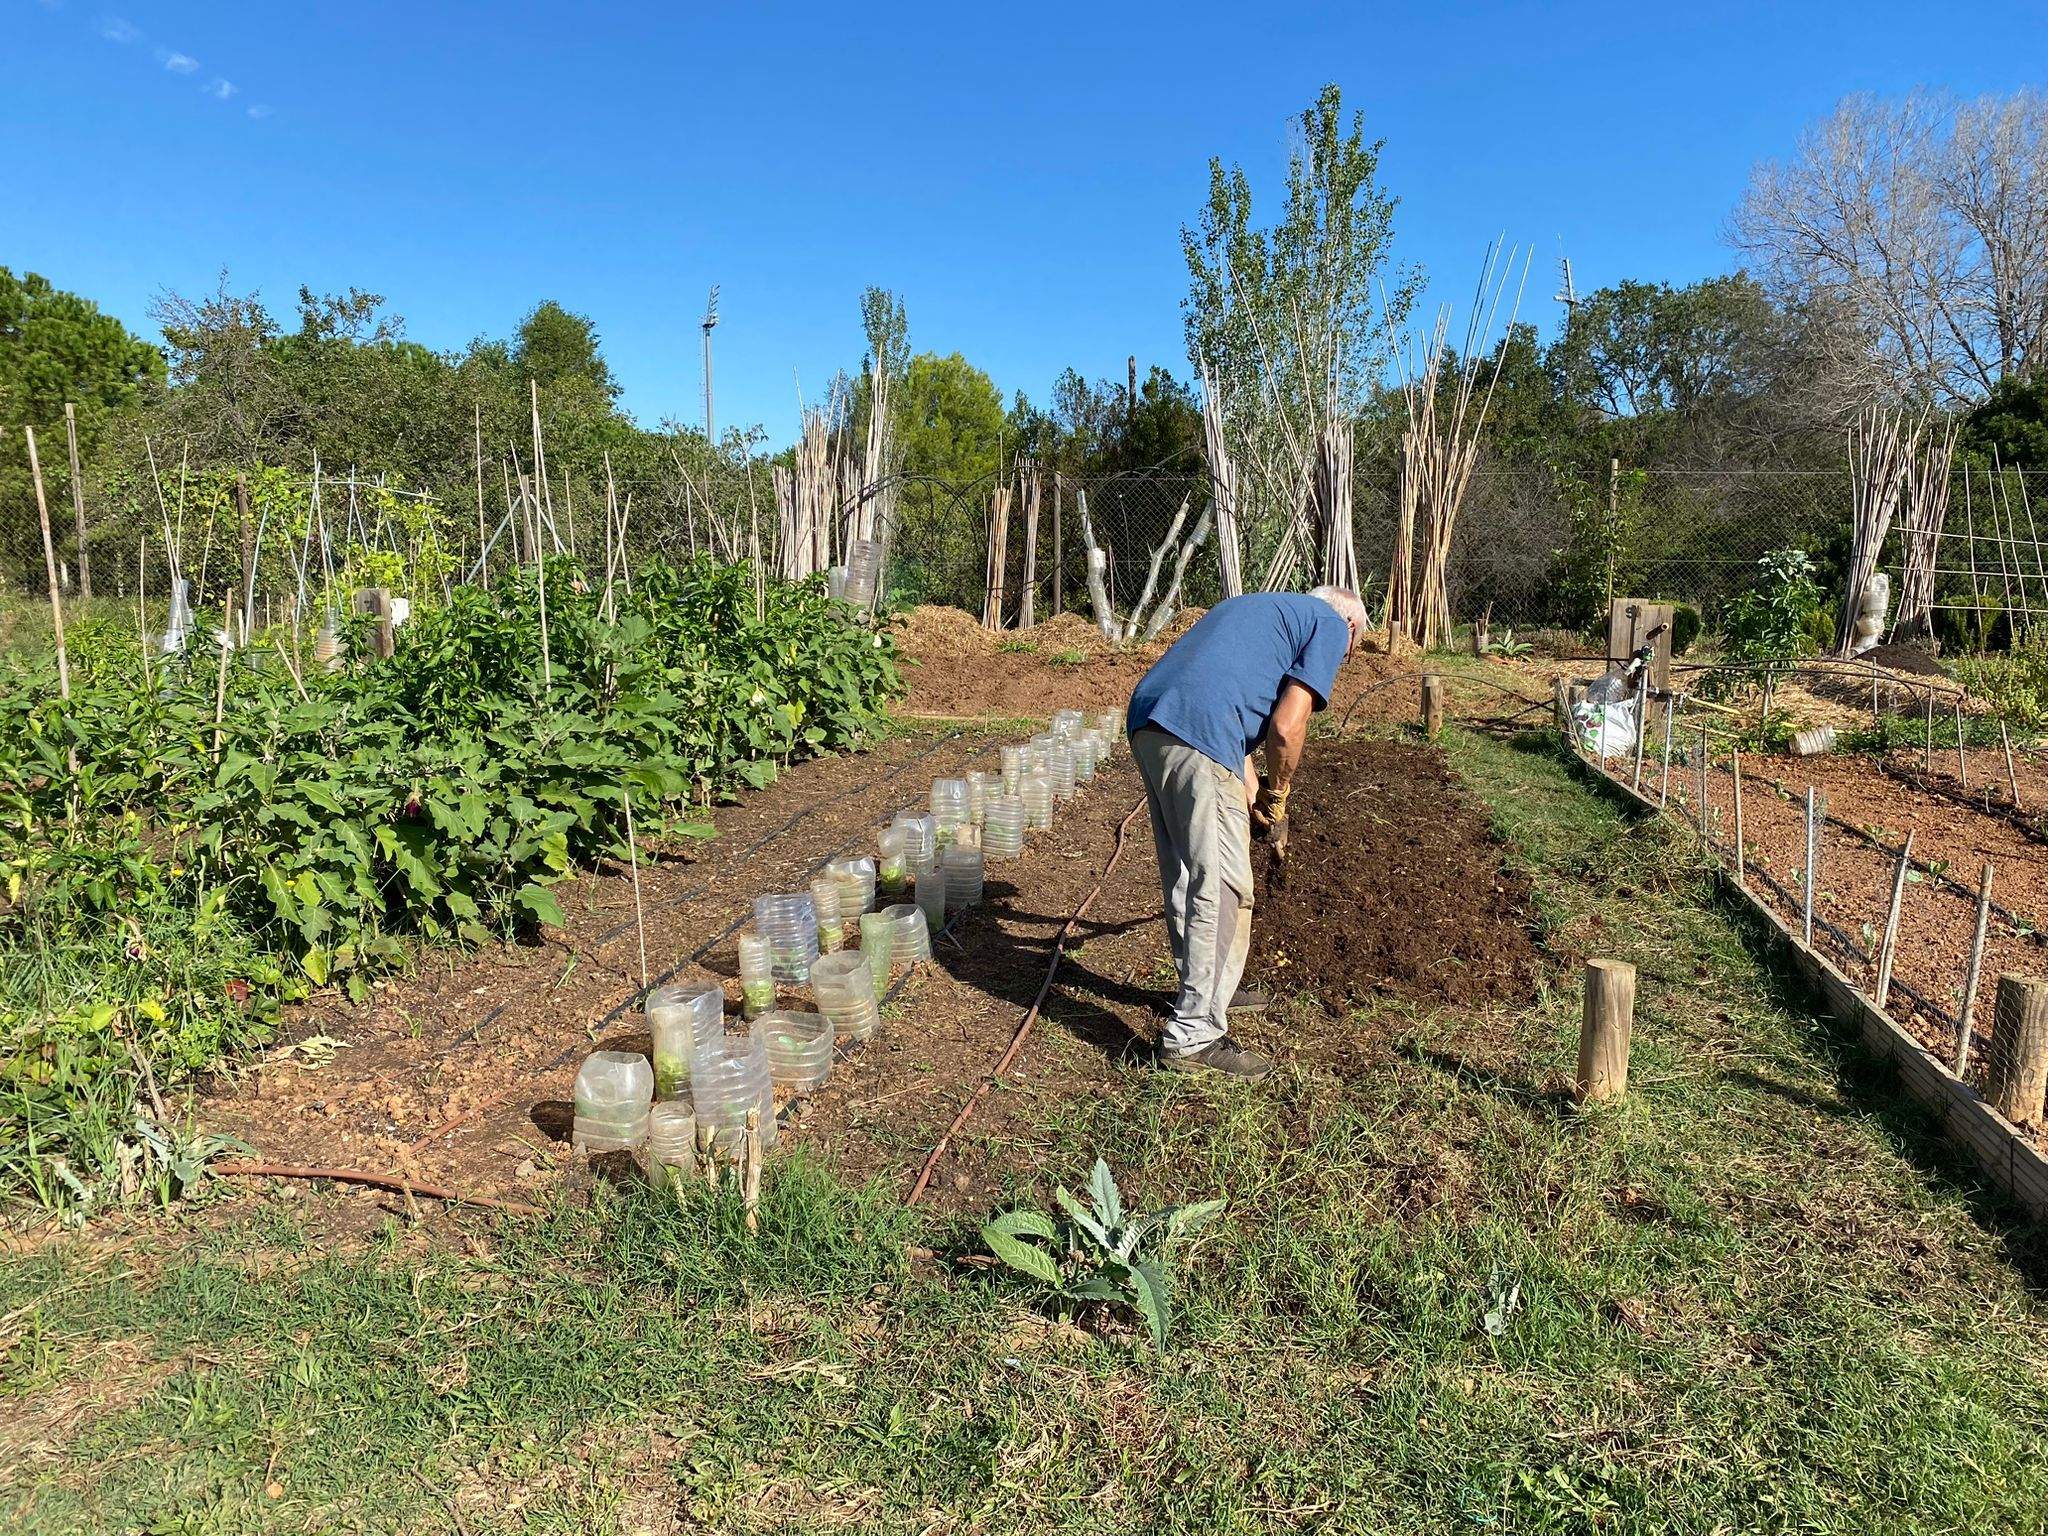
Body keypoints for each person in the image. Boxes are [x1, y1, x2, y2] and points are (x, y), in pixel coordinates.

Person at [1124, 586, 1369, 1077]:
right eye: (1352, 651)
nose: (1343, 659)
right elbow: (1285, 727)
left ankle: (1210, 989)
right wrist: (1279, 796)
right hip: (1198, 730)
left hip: (1152, 720)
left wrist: (1255, 797)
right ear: (1351, 628)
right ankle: (1193, 1035)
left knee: (1185, 870)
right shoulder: (1328, 623)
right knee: (1224, 887)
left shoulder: (1260, 610)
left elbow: (1227, 709)